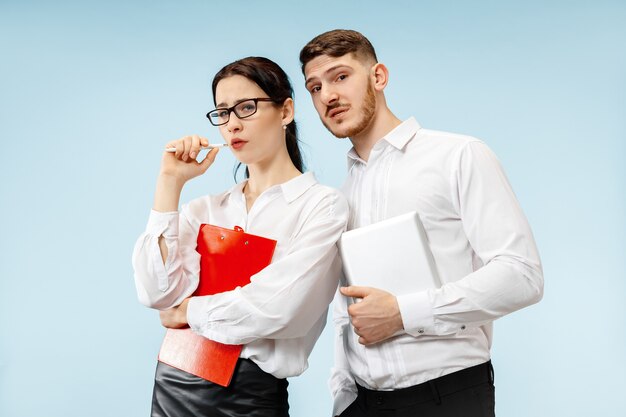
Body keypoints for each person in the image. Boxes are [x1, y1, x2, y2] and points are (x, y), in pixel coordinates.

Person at [299, 30, 544, 417]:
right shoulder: (339, 196)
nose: (327, 95)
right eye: (315, 87)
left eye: (340, 76)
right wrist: (342, 396)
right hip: (362, 402)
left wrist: (403, 313)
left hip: (448, 397)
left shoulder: (459, 155)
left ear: (378, 77)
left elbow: (522, 276)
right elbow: (345, 313)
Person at [132, 56, 349, 417]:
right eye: (223, 112)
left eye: (247, 107)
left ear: (286, 111)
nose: (232, 123)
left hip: (250, 397)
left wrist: (190, 310)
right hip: (174, 383)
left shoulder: (321, 206)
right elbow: (155, 292)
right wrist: (169, 184)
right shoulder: (204, 209)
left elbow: (279, 308)